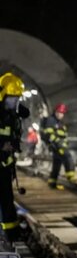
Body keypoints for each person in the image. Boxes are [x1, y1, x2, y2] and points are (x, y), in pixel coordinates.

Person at [0, 73, 29, 243]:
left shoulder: (12, 113)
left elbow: (25, 112)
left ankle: (11, 236)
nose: (14, 101)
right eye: (12, 97)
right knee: (4, 200)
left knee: (6, 200)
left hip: (5, 165)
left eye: (17, 98)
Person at [41, 103, 76, 188]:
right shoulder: (51, 120)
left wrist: (65, 142)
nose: (61, 115)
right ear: (55, 112)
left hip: (59, 145)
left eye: (62, 113)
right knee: (68, 157)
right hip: (57, 146)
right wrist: (58, 143)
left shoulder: (59, 122)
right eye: (59, 112)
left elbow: (63, 134)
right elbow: (48, 134)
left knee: (57, 164)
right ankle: (71, 177)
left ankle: (52, 183)